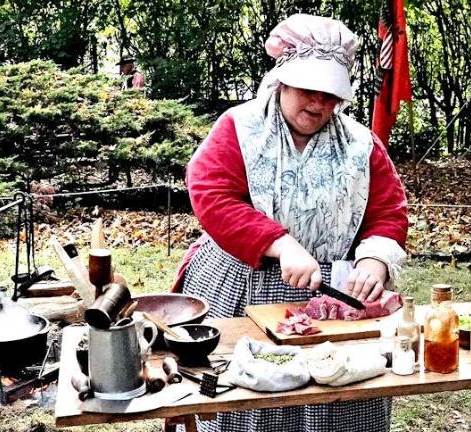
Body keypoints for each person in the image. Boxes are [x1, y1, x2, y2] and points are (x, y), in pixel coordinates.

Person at [172, 14, 408, 432]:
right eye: (308, 90)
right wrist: (280, 244)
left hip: (334, 291)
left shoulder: (360, 144)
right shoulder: (239, 127)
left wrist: (376, 261)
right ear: (282, 79)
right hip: (243, 280)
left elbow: (388, 210)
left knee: (340, 397)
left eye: (330, 94)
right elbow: (212, 194)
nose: (319, 104)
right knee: (248, 402)